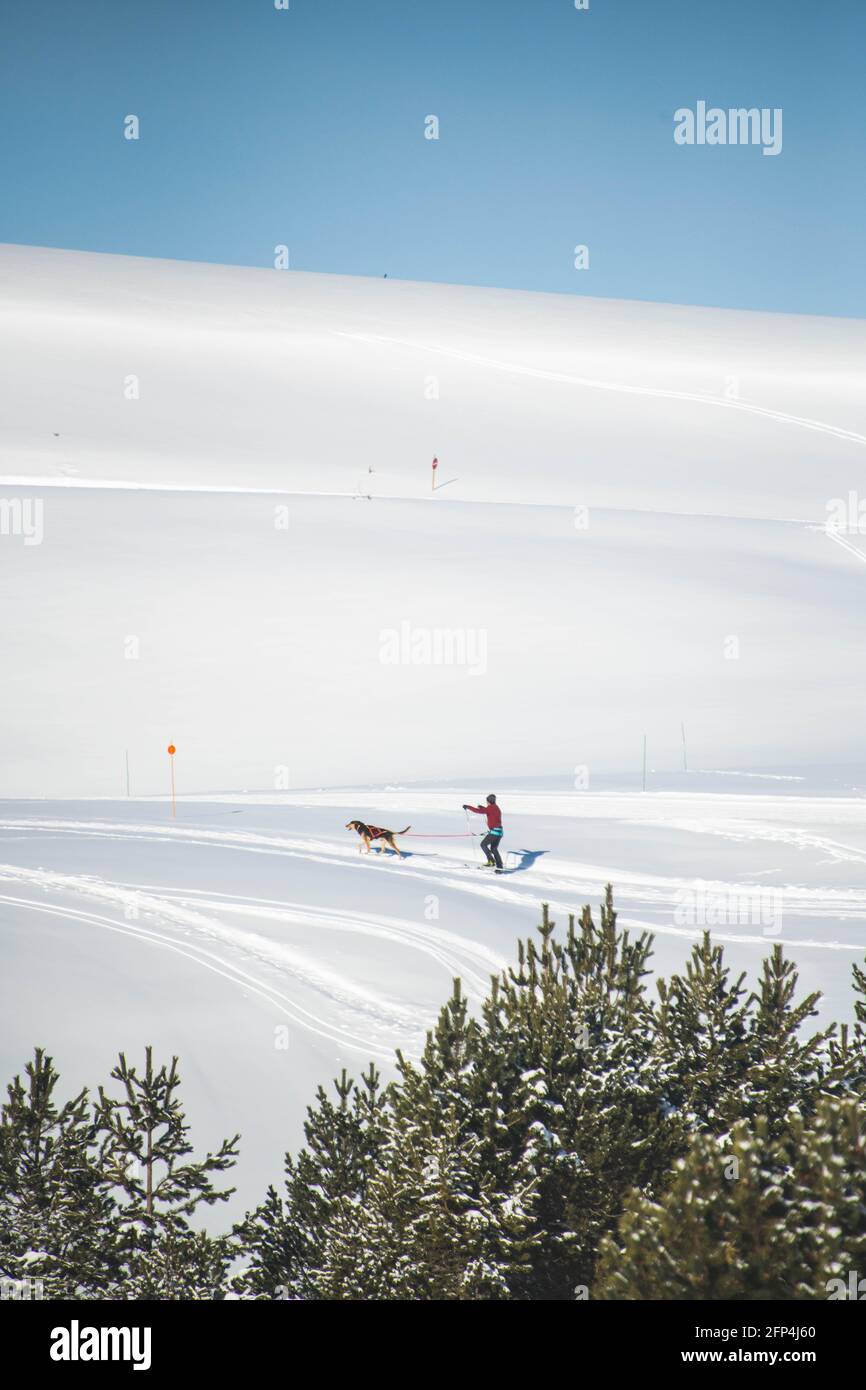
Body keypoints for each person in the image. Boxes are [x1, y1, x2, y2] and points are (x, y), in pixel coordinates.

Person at [463, 794, 504, 870]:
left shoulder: (490, 808)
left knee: (483, 845)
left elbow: (478, 811)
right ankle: (499, 866)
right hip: (499, 832)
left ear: (488, 801)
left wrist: (468, 807)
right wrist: (482, 807)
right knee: (494, 849)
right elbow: (488, 810)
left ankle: (491, 861)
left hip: (494, 833)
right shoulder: (496, 807)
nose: (486, 803)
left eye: (487, 801)